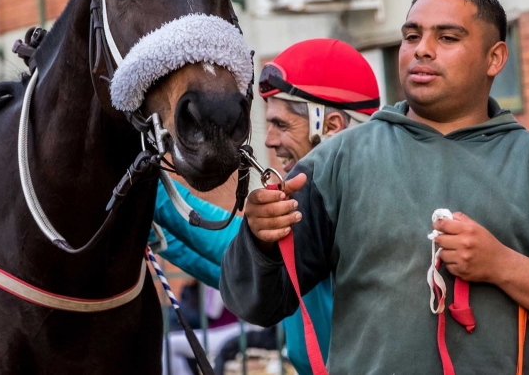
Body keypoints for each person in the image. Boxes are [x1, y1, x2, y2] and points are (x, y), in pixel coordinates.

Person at [220, 0, 529, 374]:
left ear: (495, 58)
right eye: (411, 36)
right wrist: (260, 240)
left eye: (447, 38)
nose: (422, 50)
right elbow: (257, 303)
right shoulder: (335, 163)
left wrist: (505, 266)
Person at [149, 38, 381, 375]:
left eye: (281, 125)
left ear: (331, 127)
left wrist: (154, 197)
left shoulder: (351, 198)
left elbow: (229, 247)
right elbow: (238, 270)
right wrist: (149, 217)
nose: (268, 140)